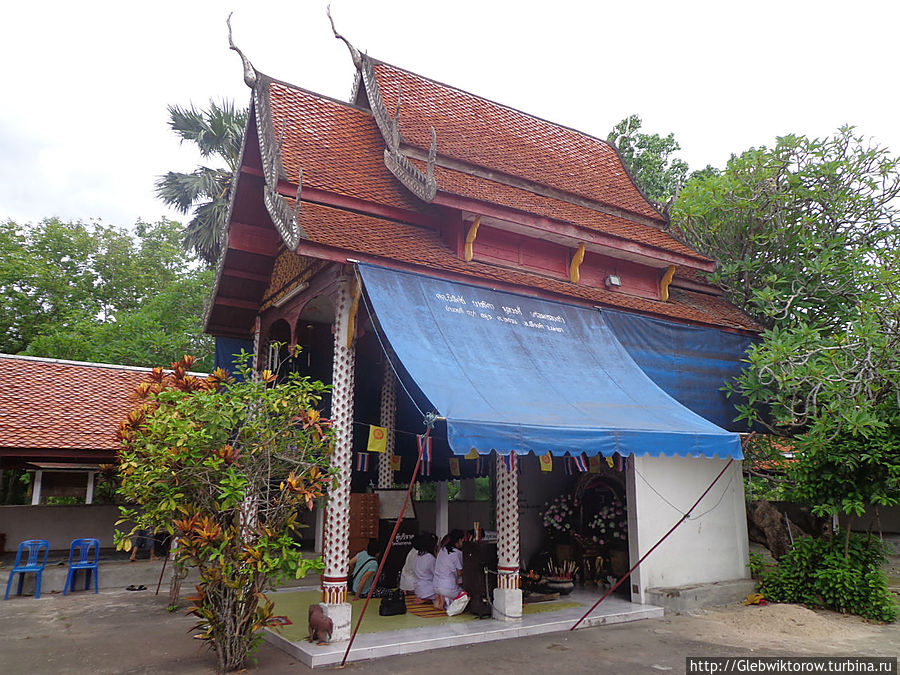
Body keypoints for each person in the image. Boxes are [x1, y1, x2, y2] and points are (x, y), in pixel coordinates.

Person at [432, 529, 464, 610]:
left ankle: (441, 599)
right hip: (447, 587)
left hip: (435, 586)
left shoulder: (442, 550)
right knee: (465, 595)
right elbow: (460, 574)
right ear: (459, 540)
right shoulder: (457, 554)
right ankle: (445, 600)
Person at [412, 532, 438, 603]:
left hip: (418, 589)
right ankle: (427, 599)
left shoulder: (417, 556)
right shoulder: (430, 558)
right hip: (428, 589)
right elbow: (436, 574)